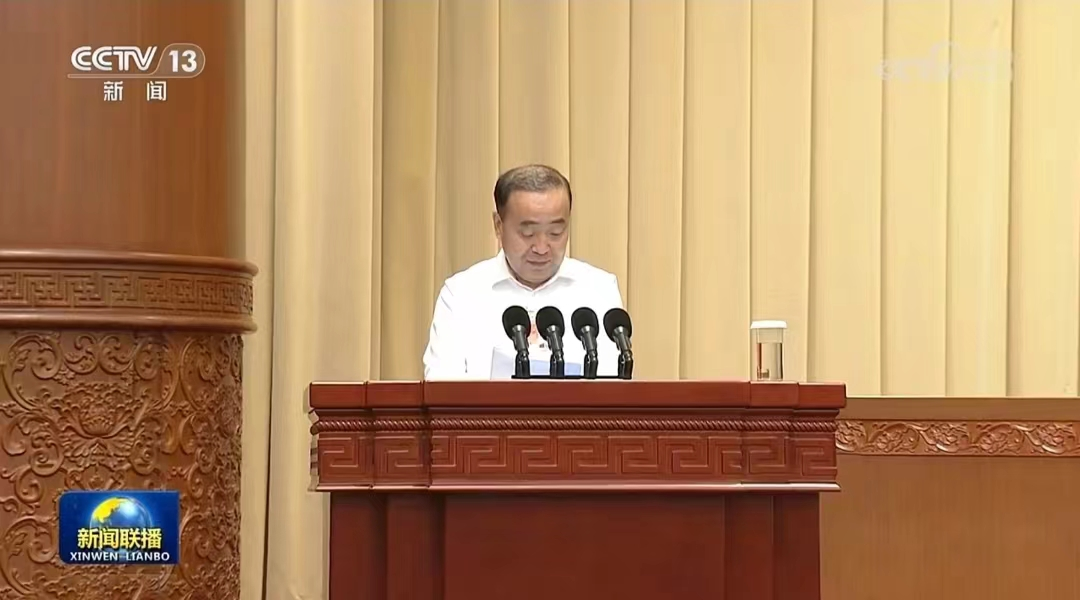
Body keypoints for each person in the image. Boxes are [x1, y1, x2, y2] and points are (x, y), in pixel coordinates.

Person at [422, 164, 624, 379]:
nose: (541, 248)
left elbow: (616, 385)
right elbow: (441, 387)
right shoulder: (460, 294)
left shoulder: (599, 289)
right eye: (527, 233)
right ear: (498, 225)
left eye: (556, 232)